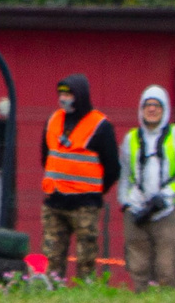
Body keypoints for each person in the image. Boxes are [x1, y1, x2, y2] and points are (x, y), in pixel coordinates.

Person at [118, 84, 175, 290]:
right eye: (147, 105)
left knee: (169, 266)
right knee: (138, 265)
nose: (152, 109)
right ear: (141, 109)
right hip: (137, 211)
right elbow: (125, 175)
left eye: (157, 106)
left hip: (168, 211)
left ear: (165, 110)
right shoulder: (131, 139)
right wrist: (126, 204)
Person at [41, 74, 118, 281]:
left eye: (68, 93)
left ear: (80, 96)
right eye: (61, 93)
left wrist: (93, 192)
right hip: (54, 202)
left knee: (86, 260)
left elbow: (112, 168)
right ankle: (52, 293)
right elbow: (46, 157)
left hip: (85, 205)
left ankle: (85, 295)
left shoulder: (100, 126)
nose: (63, 98)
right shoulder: (53, 120)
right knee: (52, 259)